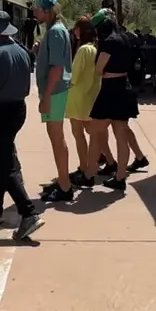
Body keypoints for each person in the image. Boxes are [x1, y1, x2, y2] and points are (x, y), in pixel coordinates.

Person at [0, 11, 44, 240]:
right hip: (17, 111)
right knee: (2, 158)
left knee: (5, 165)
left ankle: (28, 213)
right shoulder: (23, 52)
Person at [89, 9, 141, 190]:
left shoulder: (108, 43)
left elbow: (98, 70)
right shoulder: (126, 38)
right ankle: (120, 177)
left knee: (95, 132)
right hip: (124, 87)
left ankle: (89, 173)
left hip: (109, 89)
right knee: (121, 135)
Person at [31, 0, 77, 201]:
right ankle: (62, 179)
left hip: (55, 91)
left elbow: (57, 67)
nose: (34, 13)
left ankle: (65, 187)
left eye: (36, 9)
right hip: (54, 90)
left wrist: (47, 96)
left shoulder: (56, 32)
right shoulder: (53, 31)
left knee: (57, 138)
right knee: (56, 138)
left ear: (47, 10)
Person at [66, 14, 103, 188]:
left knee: (78, 135)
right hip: (91, 95)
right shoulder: (95, 49)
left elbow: (74, 76)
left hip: (77, 96)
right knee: (92, 133)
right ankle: (94, 166)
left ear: (80, 31)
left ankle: (84, 167)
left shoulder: (82, 50)